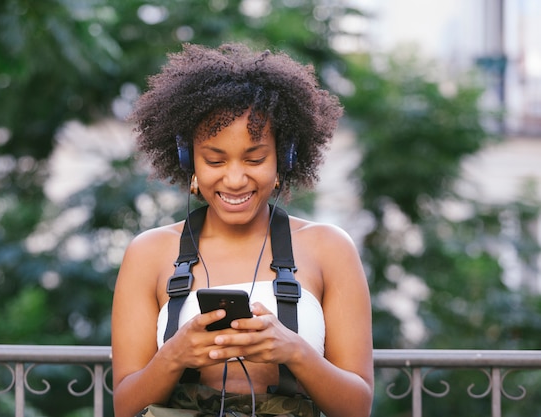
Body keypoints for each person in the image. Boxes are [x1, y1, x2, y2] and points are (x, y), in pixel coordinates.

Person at [111, 42, 373, 417]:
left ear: (284, 158)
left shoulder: (330, 248)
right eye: (214, 160)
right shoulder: (149, 252)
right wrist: (174, 356)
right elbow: (125, 406)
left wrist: (294, 351)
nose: (235, 179)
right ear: (189, 161)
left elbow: (358, 408)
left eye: (255, 158)